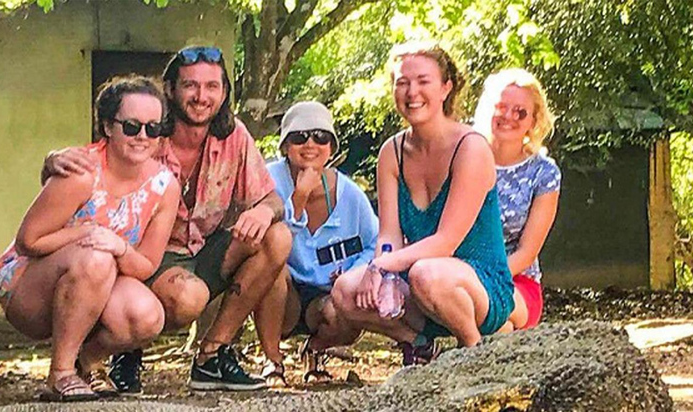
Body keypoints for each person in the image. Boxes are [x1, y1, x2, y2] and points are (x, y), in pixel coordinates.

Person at [43, 46, 292, 392]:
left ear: (223, 93)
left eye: (212, 86)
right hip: (146, 255)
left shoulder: (235, 135)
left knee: (278, 237)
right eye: (190, 85)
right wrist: (53, 160)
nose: (201, 96)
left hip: (203, 248)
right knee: (189, 298)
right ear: (171, 89)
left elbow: (272, 197)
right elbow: (97, 165)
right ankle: (114, 349)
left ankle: (212, 355)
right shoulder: (145, 133)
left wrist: (264, 210)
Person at [0, 75, 180, 401]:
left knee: (147, 315)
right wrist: (87, 233)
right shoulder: (81, 171)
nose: (143, 137)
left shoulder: (165, 186)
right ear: (109, 126)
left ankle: (88, 362)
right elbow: (29, 241)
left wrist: (120, 246)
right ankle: (60, 374)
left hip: (98, 282)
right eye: (132, 126)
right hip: (28, 286)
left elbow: (146, 264)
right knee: (95, 258)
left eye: (153, 128)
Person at [331, 42, 514, 364]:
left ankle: (474, 354)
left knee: (426, 273)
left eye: (423, 81)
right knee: (346, 290)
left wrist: (384, 265)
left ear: (446, 87)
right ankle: (418, 345)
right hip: (419, 282)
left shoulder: (471, 148)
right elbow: (388, 233)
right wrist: (379, 270)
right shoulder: (392, 152)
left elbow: (446, 241)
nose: (412, 91)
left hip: (479, 286)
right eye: (402, 82)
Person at [257, 101, 378, 385]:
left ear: (331, 147)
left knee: (345, 313)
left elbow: (375, 241)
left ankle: (316, 351)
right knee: (271, 266)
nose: (310, 143)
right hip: (280, 290)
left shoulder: (349, 193)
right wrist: (298, 198)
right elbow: (263, 241)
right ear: (285, 145)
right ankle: (272, 359)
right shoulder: (267, 179)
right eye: (300, 137)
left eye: (320, 137)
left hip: (326, 292)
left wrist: (352, 274)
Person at [472, 68, 560, 331]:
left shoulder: (543, 173)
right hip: (458, 276)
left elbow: (527, 251)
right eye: (501, 107)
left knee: (494, 316)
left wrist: (482, 281)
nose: (508, 117)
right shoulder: (464, 158)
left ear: (533, 121)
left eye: (520, 112)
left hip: (516, 282)